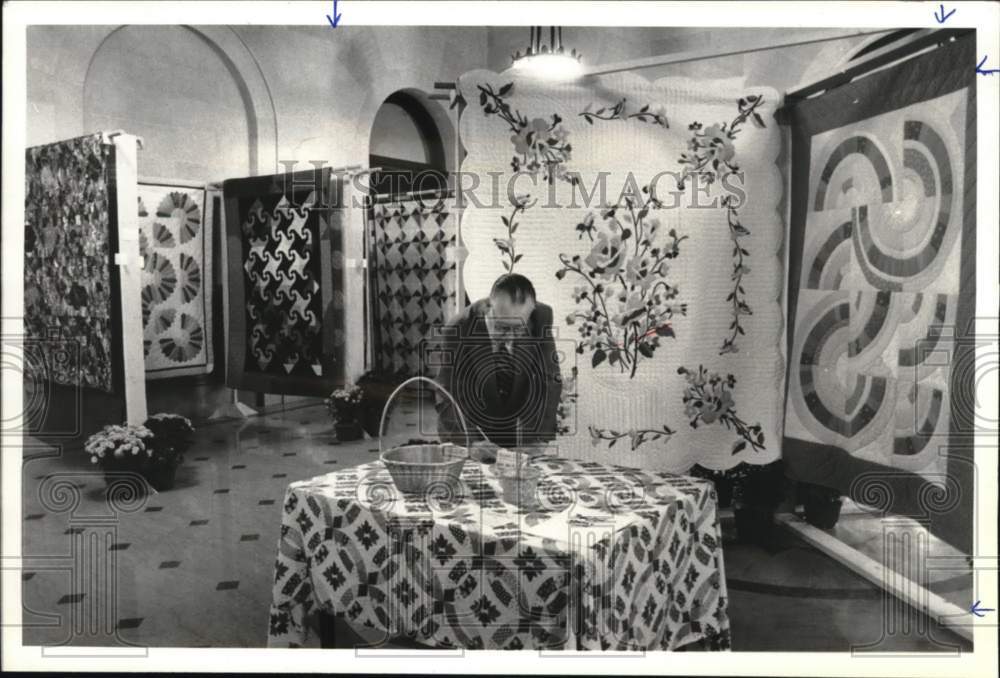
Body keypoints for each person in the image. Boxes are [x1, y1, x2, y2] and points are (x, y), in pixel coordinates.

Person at [431, 274, 561, 453]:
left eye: (518, 329)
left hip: (511, 422)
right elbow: (446, 392)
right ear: (488, 308)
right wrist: (471, 443)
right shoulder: (458, 328)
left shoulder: (541, 317)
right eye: (502, 327)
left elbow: (550, 380)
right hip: (467, 424)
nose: (510, 336)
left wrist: (540, 438)